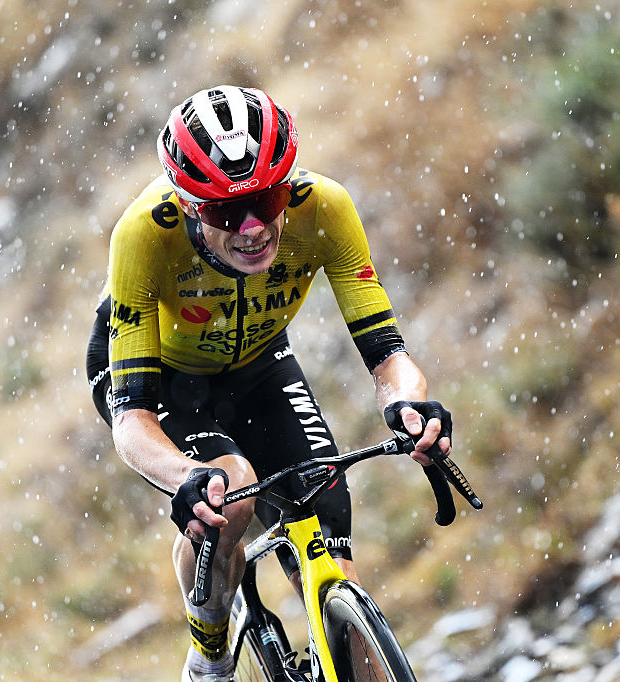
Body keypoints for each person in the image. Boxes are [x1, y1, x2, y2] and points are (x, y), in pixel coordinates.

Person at [85, 84, 452, 682]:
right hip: (164, 378)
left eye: (268, 198)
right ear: (187, 205)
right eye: (228, 212)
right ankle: (209, 656)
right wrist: (185, 478)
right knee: (233, 493)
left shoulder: (324, 208)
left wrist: (413, 408)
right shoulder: (144, 236)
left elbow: (388, 355)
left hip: (258, 361)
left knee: (326, 521)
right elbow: (132, 421)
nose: (254, 227)